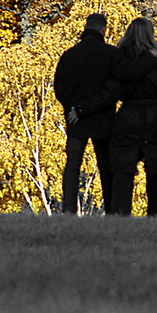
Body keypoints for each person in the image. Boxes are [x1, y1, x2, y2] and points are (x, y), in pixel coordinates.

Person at [72, 17, 157, 216]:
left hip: (127, 119)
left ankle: (120, 213)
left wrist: (82, 109)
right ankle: (155, 214)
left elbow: (108, 94)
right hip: (156, 119)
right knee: (155, 172)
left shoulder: (119, 66)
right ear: (150, 37)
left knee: (122, 172)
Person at [53, 13, 117, 213]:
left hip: (75, 119)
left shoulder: (70, 55)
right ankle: (112, 210)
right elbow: (112, 90)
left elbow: (59, 87)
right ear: (104, 29)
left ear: (86, 27)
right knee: (106, 167)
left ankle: (69, 209)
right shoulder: (111, 55)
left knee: (72, 165)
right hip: (103, 118)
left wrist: (73, 109)